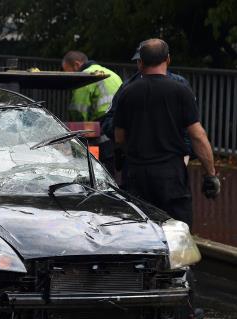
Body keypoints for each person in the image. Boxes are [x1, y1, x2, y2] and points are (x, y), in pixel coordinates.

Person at [113, 39, 220, 228]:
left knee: (140, 229)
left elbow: (119, 137)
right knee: (177, 231)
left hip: (136, 174)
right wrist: (210, 174)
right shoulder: (180, 90)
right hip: (170, 174)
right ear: (168, 59)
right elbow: (198, 136)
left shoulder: (127, 92)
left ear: (141, 62)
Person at [102, 43, 195, 173]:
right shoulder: (127, 88)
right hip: (137, 160)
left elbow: (188, 126)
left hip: (170, 161)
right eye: (138, 61)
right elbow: (109, 122)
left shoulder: (180, 85)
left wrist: (185, 154)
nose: (140, 64)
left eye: (141, 60)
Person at [62, 51, 122, 174]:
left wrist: (72, 132)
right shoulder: (110, 73)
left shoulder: (84, 77)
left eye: (67, 71)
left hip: (101, 128)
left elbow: (78, 111)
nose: (66, 75)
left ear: (76, 65)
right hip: (117, 128)